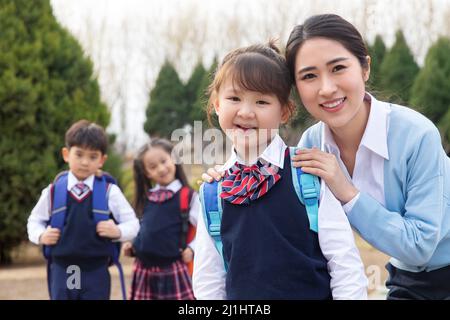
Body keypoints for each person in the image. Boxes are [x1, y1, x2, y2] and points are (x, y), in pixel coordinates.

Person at [204, 14, 450, 300]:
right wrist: (225, 176)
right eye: (309, 76)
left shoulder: (416, 135)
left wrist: (346, 192)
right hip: (407, 277)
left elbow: (420, 246)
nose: (327, 88)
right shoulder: (312, 146)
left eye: (338, 68)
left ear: (365, 68)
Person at [193, 41, 367, 300]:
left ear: (284, 111)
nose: (246, 112)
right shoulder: (212, 192)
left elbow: (345, 265)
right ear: (217, 104)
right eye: (234, 98)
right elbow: (209, 281)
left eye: (262, 102)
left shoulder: (307, 173)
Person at [27, 119, 139, 300]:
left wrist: (117, 231)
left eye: (93, 156)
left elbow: (133, 224)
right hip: (62, 269)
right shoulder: (53, 191)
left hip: (96, 270)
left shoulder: (110, 192)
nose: (85, 162)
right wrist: (41, 235)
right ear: (66, 154)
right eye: (79, 154)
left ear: (102, 160)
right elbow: (34, 220)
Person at [123, 138, 198, 300]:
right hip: (143, 270)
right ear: (146, 173)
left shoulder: (188, 197)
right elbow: (147, 229)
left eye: (164, 161)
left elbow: (204, 233)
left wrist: (192, 249)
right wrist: (134, 245)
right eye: (153, 167)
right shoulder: (147, 198)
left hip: (172, 269)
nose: (161, 169)